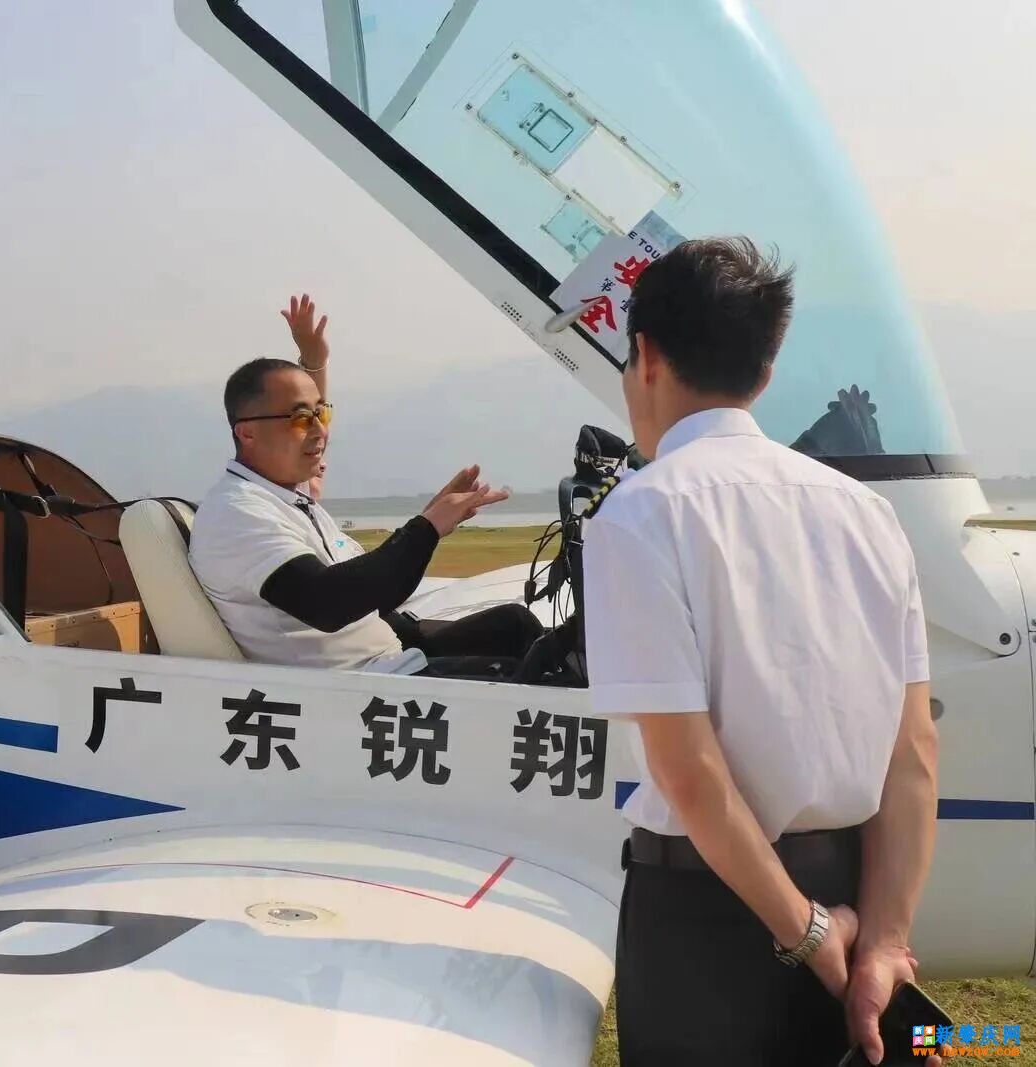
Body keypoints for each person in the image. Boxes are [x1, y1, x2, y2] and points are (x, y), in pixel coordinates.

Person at [580, 239, 939, 1065]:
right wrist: (883, 941)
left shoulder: (641, 512)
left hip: (706, 918)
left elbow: (690, 773)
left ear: (646, 356)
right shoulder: (867, 514)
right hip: (852, 897)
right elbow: (914, 750)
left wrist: (806, 934)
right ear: (766, 370)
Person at [189, 296, 544, 676]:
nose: (320, 430)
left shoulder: (286, 497)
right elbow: (327, 603)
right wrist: (426, 528)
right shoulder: (238, 514)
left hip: (394, 652)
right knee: (530, 673)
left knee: (517, 625)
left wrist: (314, 361)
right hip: (369, 685)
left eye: (321, 414)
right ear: (247, 433)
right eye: (301, 418)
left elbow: (370, 589)